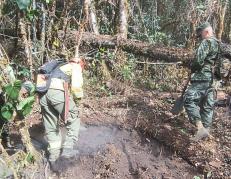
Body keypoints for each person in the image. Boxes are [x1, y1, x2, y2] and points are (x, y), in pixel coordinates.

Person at [39, 56, 83, 170]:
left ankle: (53, 159)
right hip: (56, 92)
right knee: (74, 116)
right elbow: (77, 87)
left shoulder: (56, 66)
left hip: (43, 95)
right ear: (80, 63)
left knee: (51, 126)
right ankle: (68, 150)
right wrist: (78, 100)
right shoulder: (75, 66)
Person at [184, 22, 219, 141]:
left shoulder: (207, 42)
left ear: (206, 32)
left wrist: (192, 67)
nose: (201, 38)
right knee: (207, 106)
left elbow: (198, 61)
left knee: (188, 99)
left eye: (201, 34)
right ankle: (205, 135)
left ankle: (200, 128)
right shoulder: (219, 44)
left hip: (202, 77)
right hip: (212, 80)